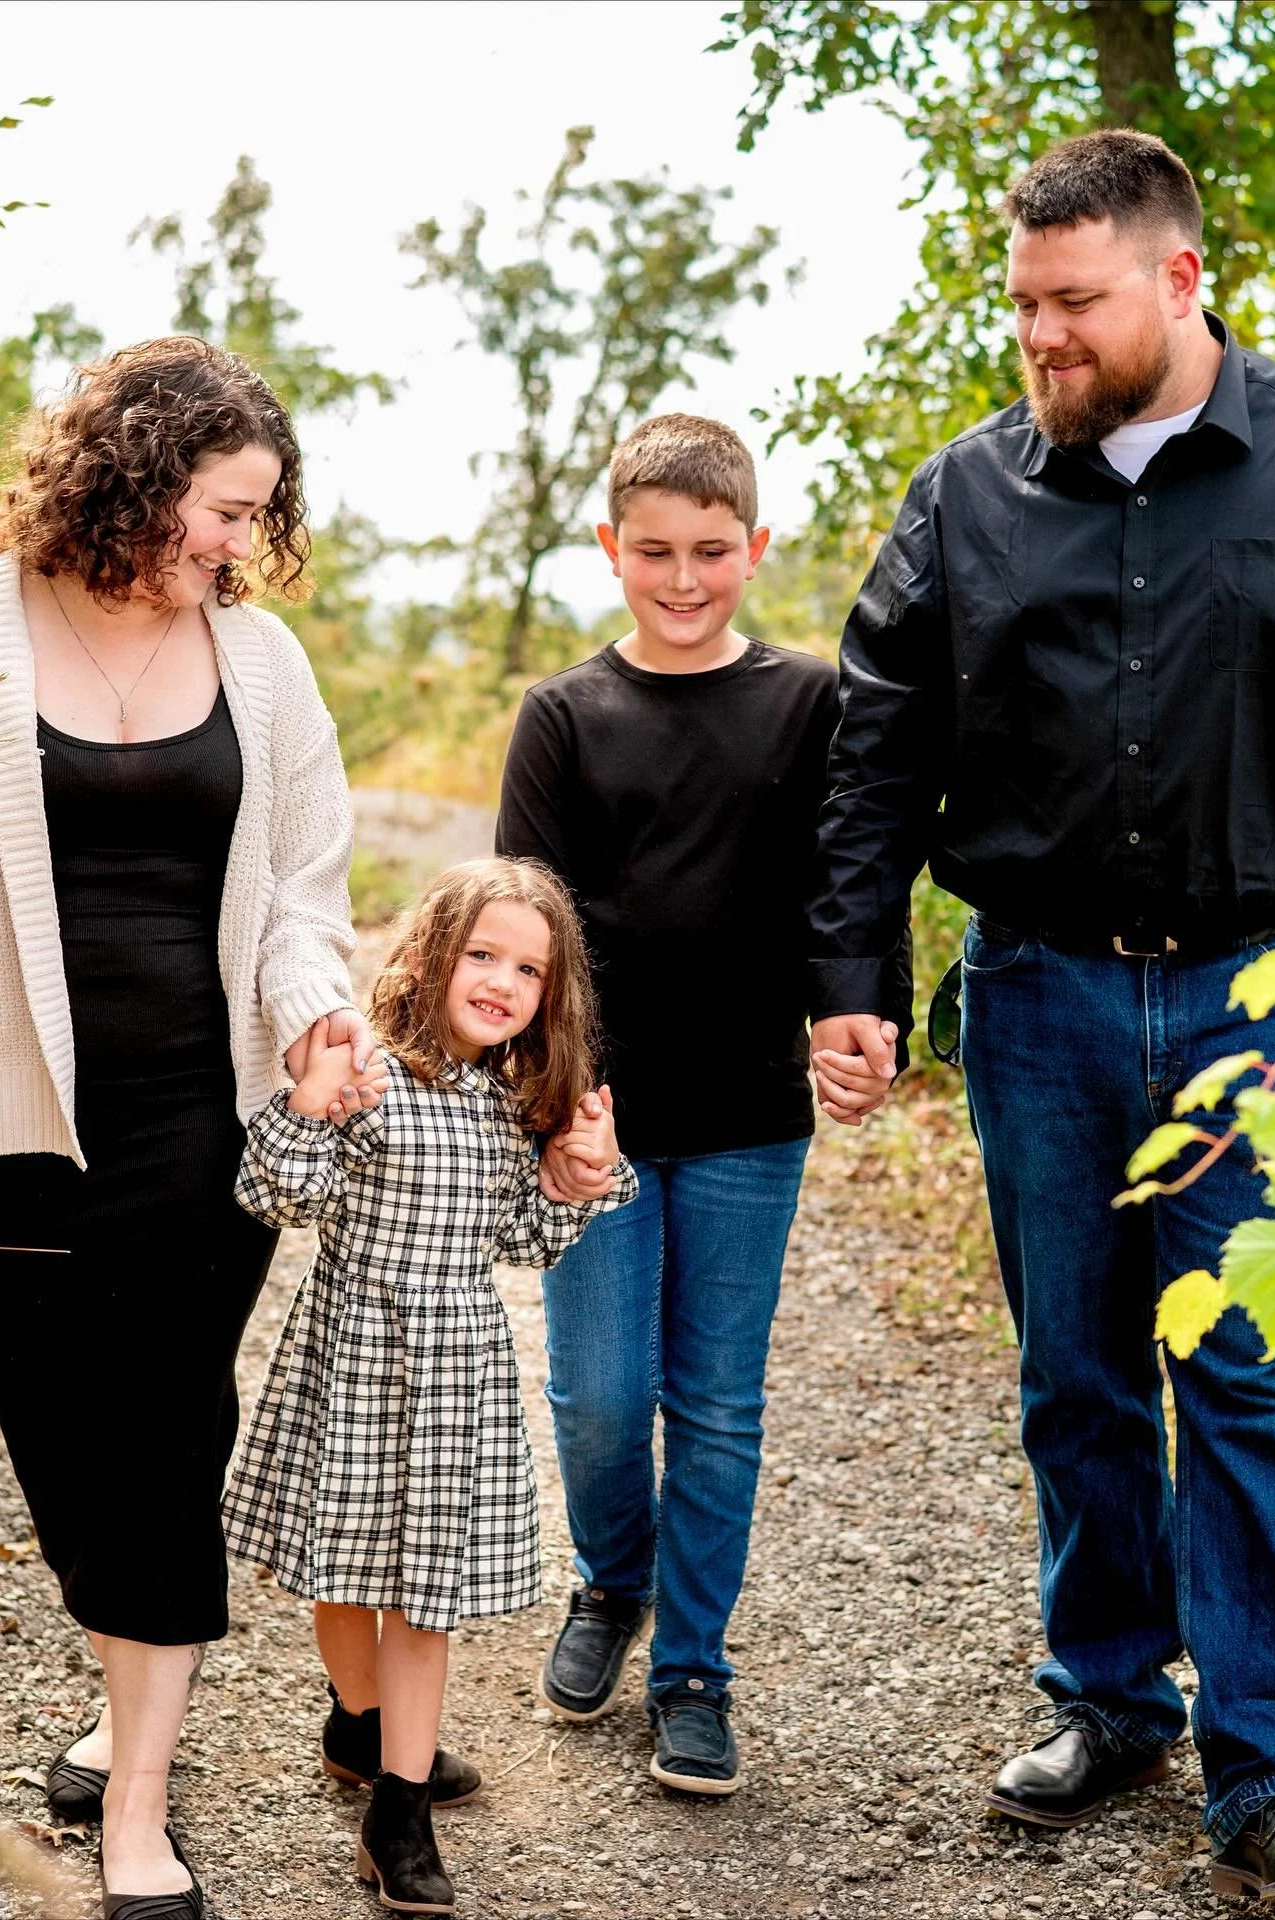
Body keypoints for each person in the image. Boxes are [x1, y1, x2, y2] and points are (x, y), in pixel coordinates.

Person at [807, 130, 1275, 1900]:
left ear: (1182, 282)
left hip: (1272, 996)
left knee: (1254, 1381)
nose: (1040, 336)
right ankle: (1113, 1694)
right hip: (1036, 990)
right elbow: (876, 750)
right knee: (1077, 1379)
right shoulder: (967, 496)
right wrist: (853, 984)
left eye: (1074, 303)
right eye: (1023, 302)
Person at [0, 336, 382, 1920]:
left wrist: (317, 1004)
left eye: (259, 518)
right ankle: (122, 1705)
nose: (240, 545)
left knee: (170, 1437)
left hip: (207, 1127)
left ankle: (137, 1813)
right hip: (2, 1130)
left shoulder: (263, 665)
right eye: (223, 511)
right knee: (66, 1456)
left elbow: (303, 894)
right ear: (133, 478)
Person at [496, 414, 853, 1797]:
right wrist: (561, 1099)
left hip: (753, 1115)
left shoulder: (807, 704)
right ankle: (611, 1582)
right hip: (595, 1118)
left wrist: (850, 1008)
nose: (685, 577)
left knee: (715, 1401)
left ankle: (694, 1668)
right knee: (597, 1395)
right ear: (612, 550)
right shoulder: (566, 716)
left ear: (755, 550)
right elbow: (529, 922)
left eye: (713, 551)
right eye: (655, 551)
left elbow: (840, 892)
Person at [223, 857, 636, 1913]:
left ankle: (398, 1810)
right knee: (349, 1574)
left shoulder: (512, 1105)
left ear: (553, 995)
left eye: (530, 970)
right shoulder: (368, 1072)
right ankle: (360, 1727)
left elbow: (522, 1240)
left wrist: (572, 1182)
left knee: (426, 1593)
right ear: (431, 956)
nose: (502, 981)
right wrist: (310, 1105)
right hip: (355, 1353)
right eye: (483, 954)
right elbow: (275, 1194)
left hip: (457, 1370)